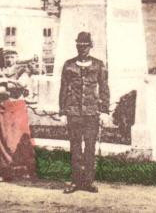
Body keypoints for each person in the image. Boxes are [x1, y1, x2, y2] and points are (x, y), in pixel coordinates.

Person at [59, 32, 111, 194]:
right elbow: (63, 89)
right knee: (75, 147)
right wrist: (62, 112)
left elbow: (104, 89)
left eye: (85, 46)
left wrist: (104, 111)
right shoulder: (69, 65)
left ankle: (88, 181)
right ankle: (75, 181)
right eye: (79, 46)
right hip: (74, 112)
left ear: (90, 46)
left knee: (90, 148)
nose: (82, 49)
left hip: (91, 113)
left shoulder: (98, 65)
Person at [0, 49, 37, 182]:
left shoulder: (22, 70)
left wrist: (6, 82)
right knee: (2, 138)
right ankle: (4, 171)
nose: (9, 60)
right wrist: (11, 88)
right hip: (3, 107)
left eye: (12, 57)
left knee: (20, 138)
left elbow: (22, 84)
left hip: (18, 108)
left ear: (17, 58)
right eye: (7, 57)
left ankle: (23, 170)